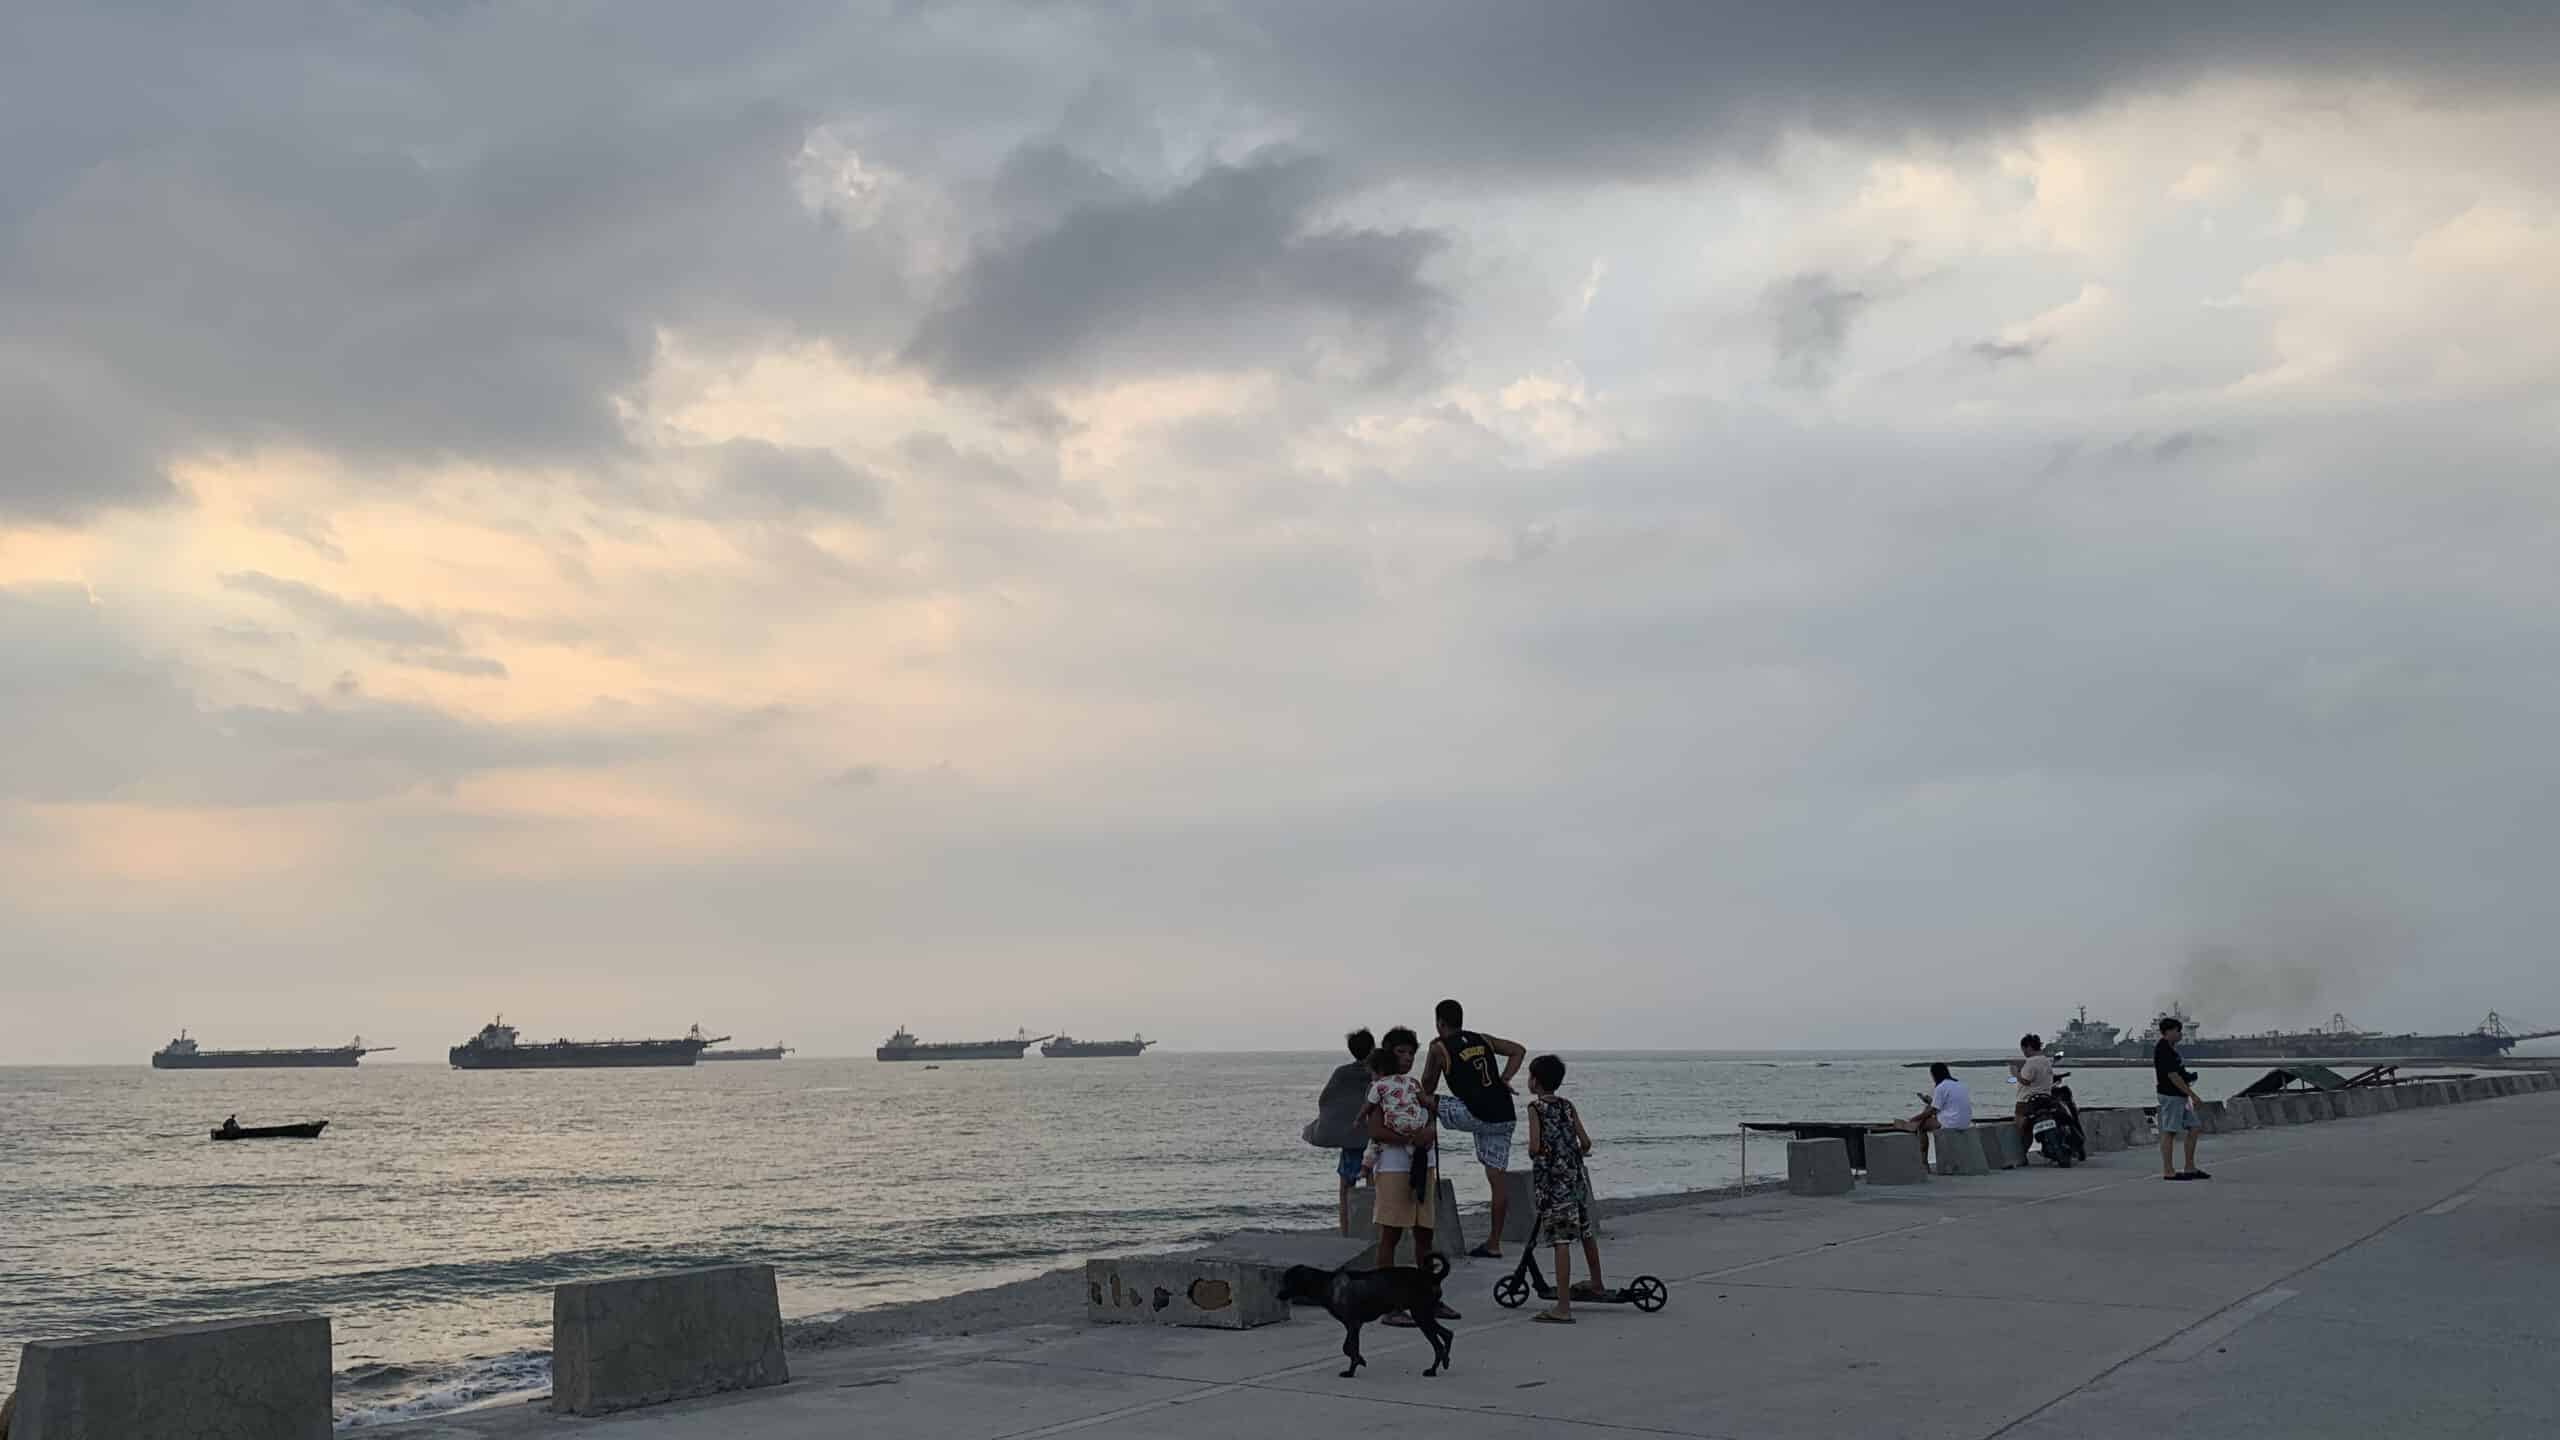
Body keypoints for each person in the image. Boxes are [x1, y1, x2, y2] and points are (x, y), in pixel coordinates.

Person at [1418, 998, 1527, 1258]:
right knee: (1497, 1180)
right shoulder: (1483, 1039)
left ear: (1439, 1023)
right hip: (1503, 1115)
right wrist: (1505, 1079)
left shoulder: (1439, 1048)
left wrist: (1433, 1060)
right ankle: (1494, 1243)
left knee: (1422, 1099)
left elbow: (1428, 1086)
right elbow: (1518, 1050)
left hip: (1474, 1113)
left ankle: (1421, 1154)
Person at [1365, 1026, 1460, 1322]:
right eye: (1401, 1052)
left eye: (1411, 1053)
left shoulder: (1414, 1085)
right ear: (1389, 1053)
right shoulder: (1380, 1087)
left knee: (1424, 1236)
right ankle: (1389, 1305)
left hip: (1424, 1164)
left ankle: (1428, 1299)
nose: (1407, 1058)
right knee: (1390, 1236)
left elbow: (1427, 1115)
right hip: (1393, 1168)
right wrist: (1410, 1139)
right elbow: (1376, 1129)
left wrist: (1429, 1130)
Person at [1523, 1054, 1606, 1324]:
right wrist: (1569, 1153)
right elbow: (1586, 1142)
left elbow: (1534, 1147)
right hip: (1575, 1179)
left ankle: (1562, 1307)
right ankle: (1596, 1283)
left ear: (1535, 1081)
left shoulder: (1535, 1109)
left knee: (1560, 1240)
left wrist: (1546, 1154)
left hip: (1552, 1185)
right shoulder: (1568, 1106)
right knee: (1585, 1232)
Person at [1308, 1028, 1378, 1236]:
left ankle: (1346, 1233)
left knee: (1346, 1188)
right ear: (1373, 1047)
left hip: (1351, 1139)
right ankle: (1374, 1230)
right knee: (1373, 1184)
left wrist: (1337, 1122)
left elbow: (1326, 1100)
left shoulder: (1342, 1073)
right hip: (1374, 1138)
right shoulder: (1376, 1071)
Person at [2155, 1016, 2210, 1181]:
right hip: (2171, 1096)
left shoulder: (2172, 1049)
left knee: (2194, 1127)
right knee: (2169, 1132)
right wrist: (2193, 1095)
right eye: (2178, 1031)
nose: (2180, 1034)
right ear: (2169, 1031)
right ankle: (2168, 1171)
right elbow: (2173, 1076)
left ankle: (2190, 1168)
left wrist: (2189, 1077)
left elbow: (2178, 1073)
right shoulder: (2163, 1049)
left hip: (2180, 1096)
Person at [1897, 1062, 1971, 1167]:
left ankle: (1924, 1163)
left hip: (1951, 1122)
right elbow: (1943, 1106)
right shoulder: (1959, 1084)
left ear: (1934, 1074)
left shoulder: (1941, 1087)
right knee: (1927, 1112)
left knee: (1921, 1127)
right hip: (1965, 1121)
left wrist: (1914, 1118)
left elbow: (1933, 1110)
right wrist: (1929, 1102)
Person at [2011, 1034, 2055, 1154]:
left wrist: (2015, 1073)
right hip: (2045, 1099)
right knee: (2029, 1129)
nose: (2024, 1053)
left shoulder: (2031, 1062)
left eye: (2024, 1049)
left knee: (2022, 1130)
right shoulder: (2046, 1061)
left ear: (2029, 1047)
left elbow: (2026, 1081)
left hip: (2026, 1101)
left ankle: (2021, 1154)